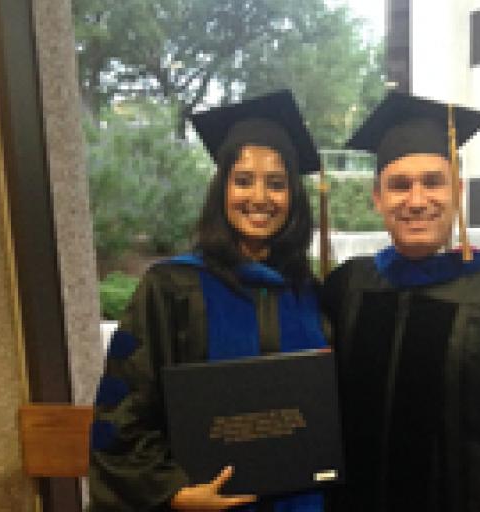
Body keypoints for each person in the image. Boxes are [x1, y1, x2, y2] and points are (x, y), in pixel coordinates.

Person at [322, 91, 480, 512]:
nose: (417, 200)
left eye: (433, 182)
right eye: (399, 186)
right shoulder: (348, 288)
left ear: (458, 190)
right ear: (377, 198)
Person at [89, 90, 329, 511]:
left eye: (276, 183)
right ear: (222, 190)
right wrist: (175, 494)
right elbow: (122, 415)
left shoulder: (309, 292)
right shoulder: (172, 287)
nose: (259, 197)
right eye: (243, 180)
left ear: (293, 197)